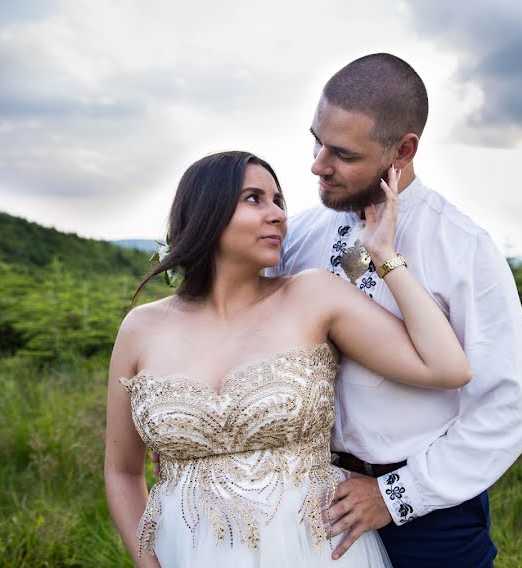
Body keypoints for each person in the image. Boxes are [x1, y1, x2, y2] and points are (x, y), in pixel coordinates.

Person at [105, 150, 473, 568]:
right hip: (188, 553)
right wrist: (148, 563)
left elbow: (447, 367)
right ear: (205, 210)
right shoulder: (141, 328)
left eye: (278, 201)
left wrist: (384, 253)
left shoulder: (312, 295)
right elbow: (121, 472)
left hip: (314, 549)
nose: (278, 214)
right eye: (254, 199)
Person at [270, 53, 522, 566]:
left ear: (403, 149)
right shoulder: (299, 235)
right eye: (316, 140)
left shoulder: (462, 247)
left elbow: (513, 403)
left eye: (343, 154)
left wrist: (397, 494)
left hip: (429, 518)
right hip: (309, 499)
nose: (317, 165)